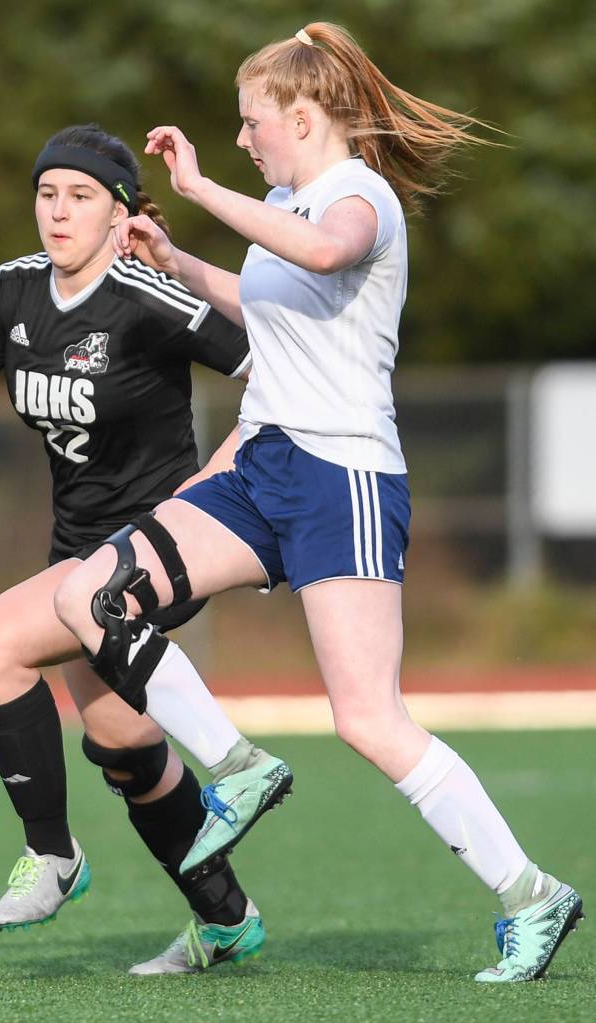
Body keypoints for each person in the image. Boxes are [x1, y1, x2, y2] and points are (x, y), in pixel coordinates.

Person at [52, 25, 584, 983]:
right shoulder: (287, 201)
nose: (244, 140)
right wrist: (176, 261)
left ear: (302, 115)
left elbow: (329, 255)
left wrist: (205, 192)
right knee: (93, 595)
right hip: (263, 462)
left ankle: (531, 896)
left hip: (342, 478)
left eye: (254, 122)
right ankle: (238, 766)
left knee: (369, 720)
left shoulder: (357, 196)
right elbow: (270, 302)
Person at [0, 123, 284, 974]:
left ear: (120, 213)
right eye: (47, 194)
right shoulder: (7, 295)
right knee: (121, 744)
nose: (58, 211)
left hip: (157, 544)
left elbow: (280, 381)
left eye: (80, 196)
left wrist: (210, 489)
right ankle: (225, 919)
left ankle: (53, 854)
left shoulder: (153, 295)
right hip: (76, 548)